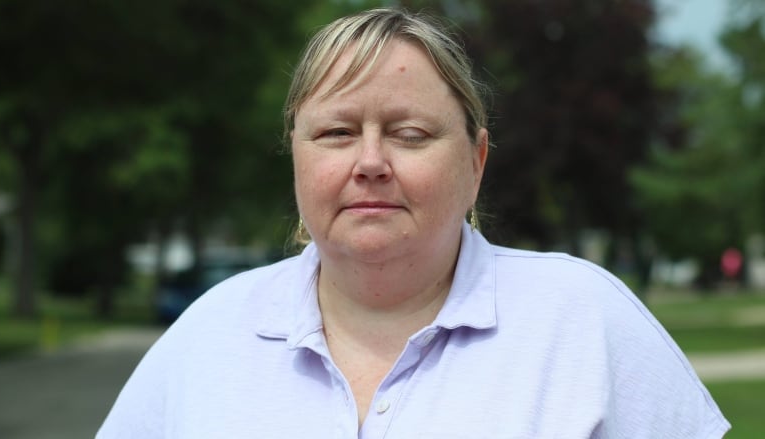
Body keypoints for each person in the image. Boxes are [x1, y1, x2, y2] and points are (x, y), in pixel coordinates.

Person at [97, 7, 730, 438]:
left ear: (475, 162)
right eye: (337, 133)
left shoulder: (584, 321)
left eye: (409, 133)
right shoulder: (208, 335)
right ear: (296, 156)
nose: (370, 162)